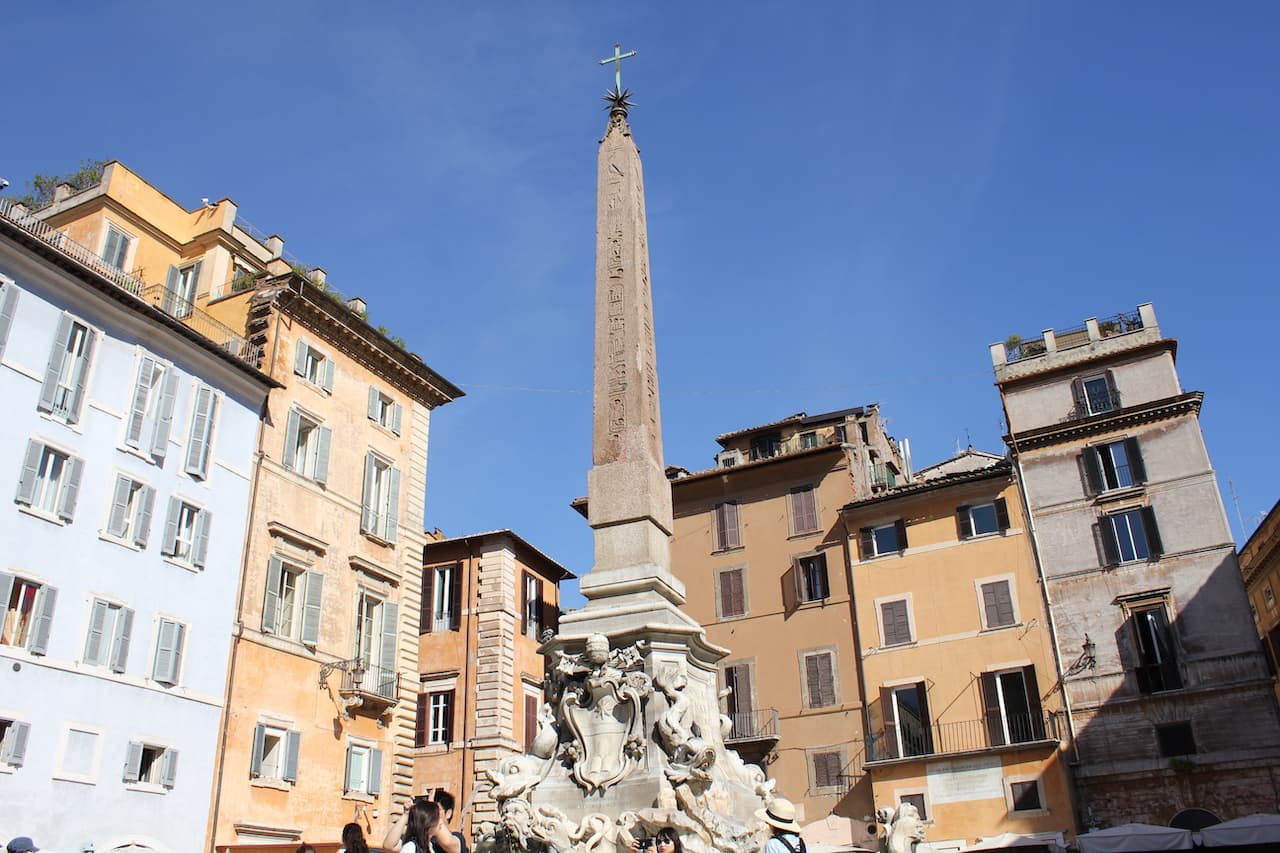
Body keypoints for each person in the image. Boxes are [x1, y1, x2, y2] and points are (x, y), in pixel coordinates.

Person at [382, 798, 461, 853]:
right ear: (429, 821)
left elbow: (448, 842)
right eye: (437, 817)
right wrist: (406, 814)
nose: (440, 822)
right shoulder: (411, 847)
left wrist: (429, 810)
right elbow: (389, 845)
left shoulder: (434, 845)